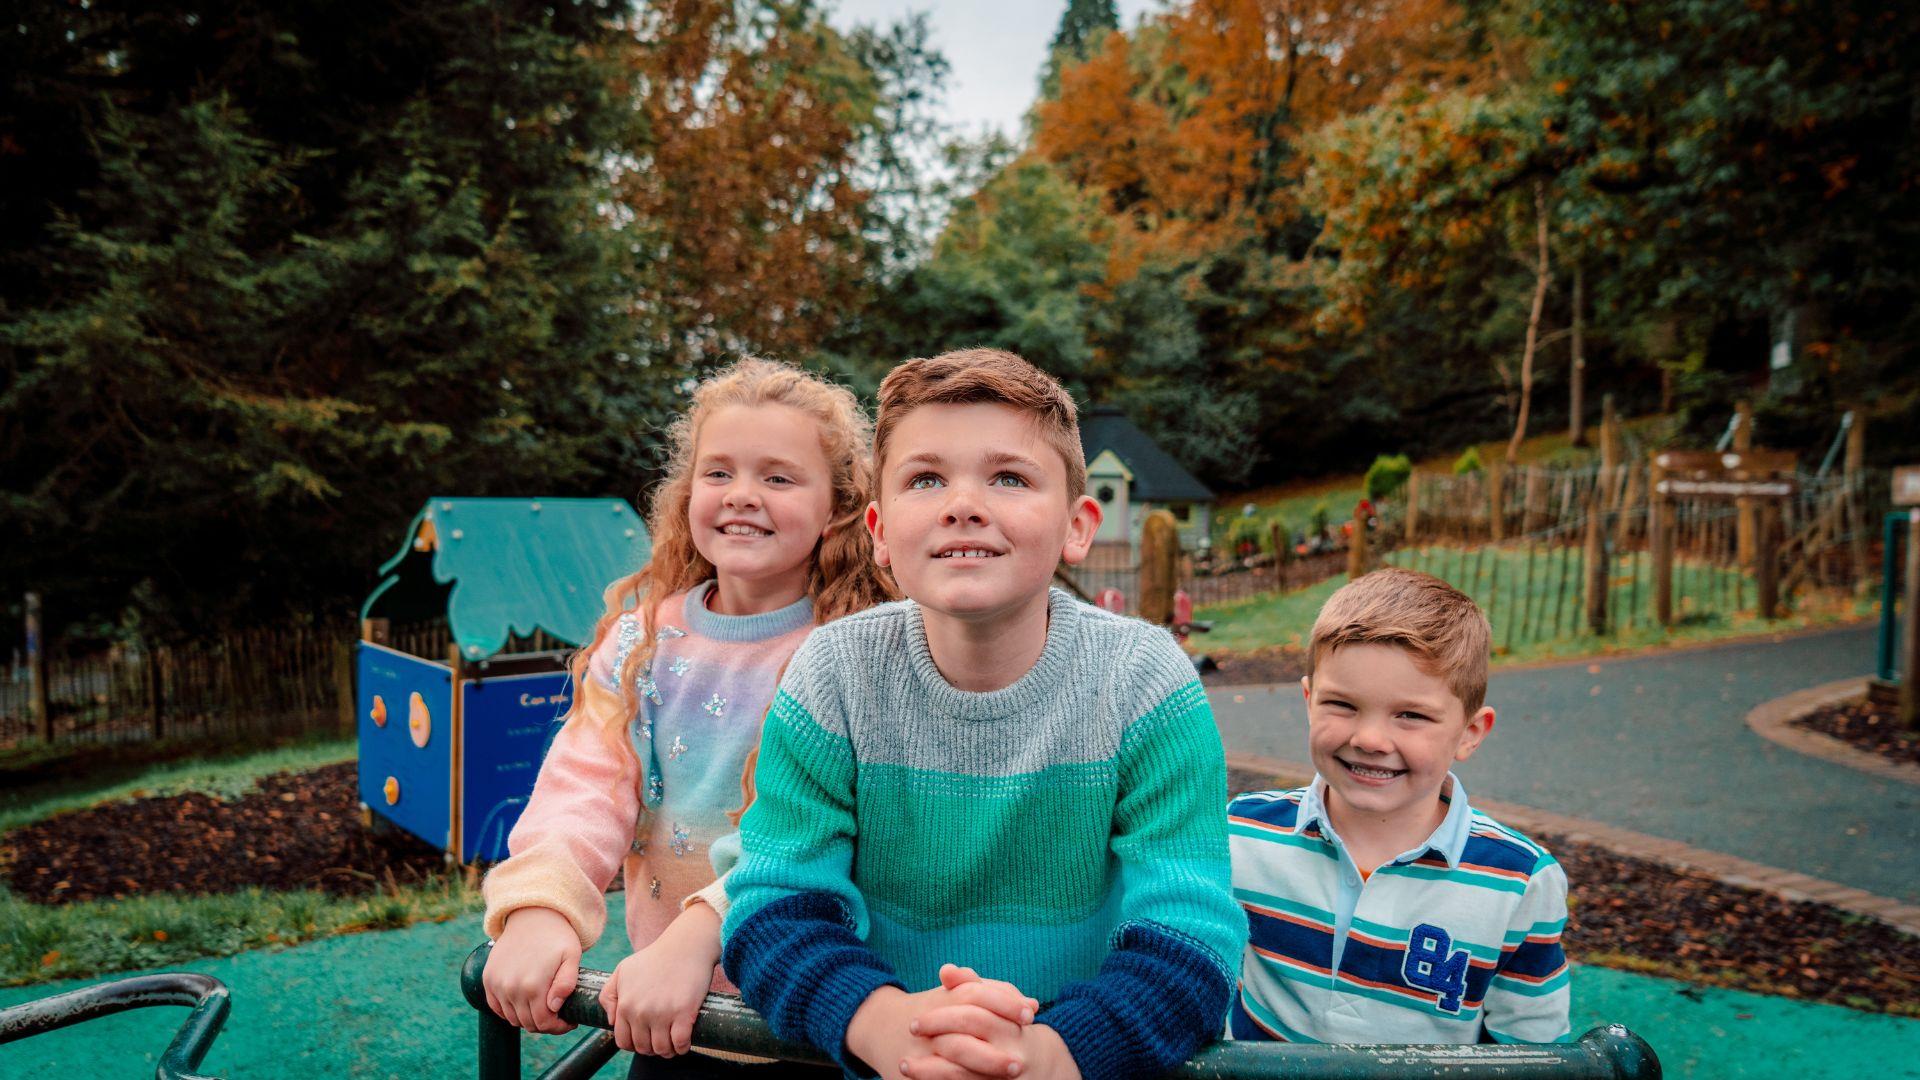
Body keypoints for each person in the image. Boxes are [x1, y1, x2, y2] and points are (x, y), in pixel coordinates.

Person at [715, 348, 1247, 1080]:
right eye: (926, 478)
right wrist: (882, 1024)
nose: (962, 503)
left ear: (1077, 526)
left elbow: (1191, 932)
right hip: (886, 1055)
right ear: (878, 533)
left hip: (1081, 1057)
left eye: (1009, 477)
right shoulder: (833, 674)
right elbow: (775, 906)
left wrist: (1055, 1053)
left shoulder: (1145, 682)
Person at [479, 357, 898, 1073]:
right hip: (674, 1009)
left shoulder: (855, 653)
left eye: (778, 477)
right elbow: (583, 783)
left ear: (836, 507)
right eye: (719, 473)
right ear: (686, 493)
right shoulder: (643, 640)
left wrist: (700, 933)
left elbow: (818, 834)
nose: (742, 495)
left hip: (816, 1009)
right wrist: (540, 908)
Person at [1225, 568, 1570, 1045]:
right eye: (1342, 705)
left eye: (1410, 715)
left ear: (1470, 732)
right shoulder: (1243, 835)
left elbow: (1531, 1051)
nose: (1368, 739)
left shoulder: (1520, 882)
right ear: (1309, 701)